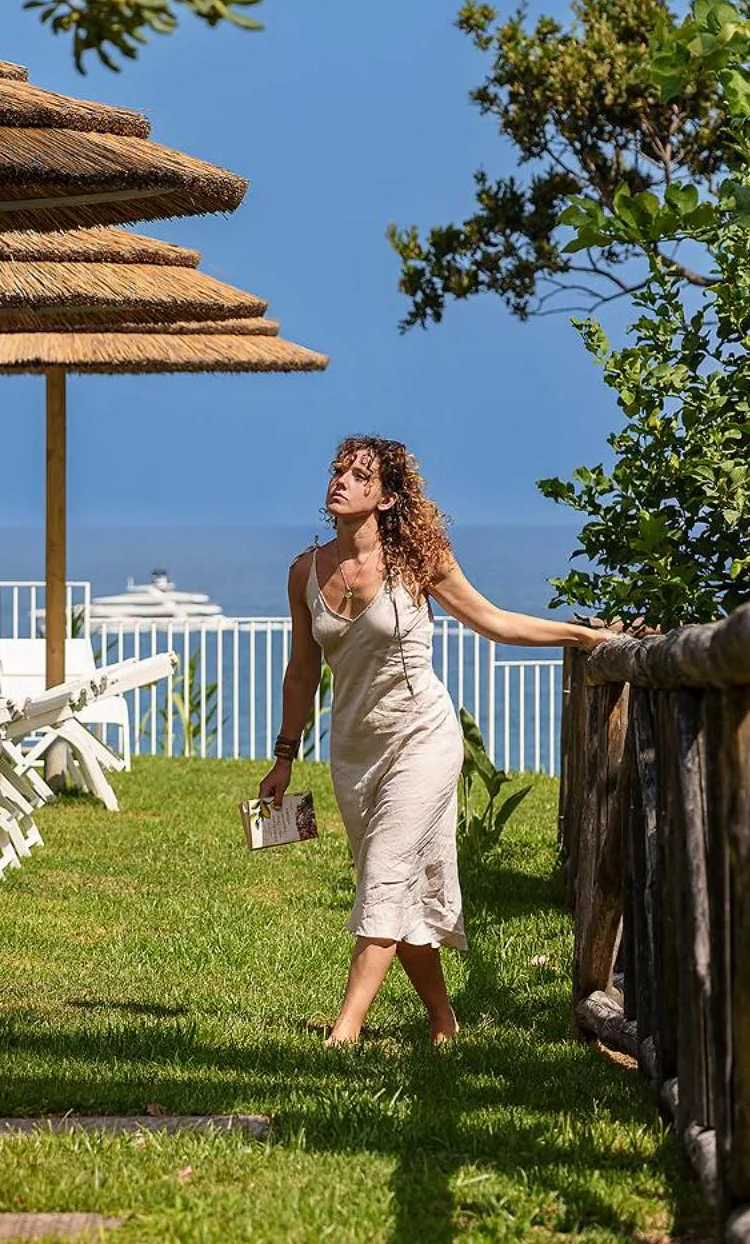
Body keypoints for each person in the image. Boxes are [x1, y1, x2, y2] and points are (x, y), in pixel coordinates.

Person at [258, 435, 618, 1046]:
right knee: (403, 885)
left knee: (384, 877)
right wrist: (284, 759)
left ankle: (345, 1029)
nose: (340, 480)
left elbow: (494, 621)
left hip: (422, 735)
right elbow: (301, 670)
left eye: (359, 475)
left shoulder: (419, 562)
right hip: (353, 750)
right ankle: (443, 1018)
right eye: (339, 471)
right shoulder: (305, 571)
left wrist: (581, 638)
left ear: (387, 497)